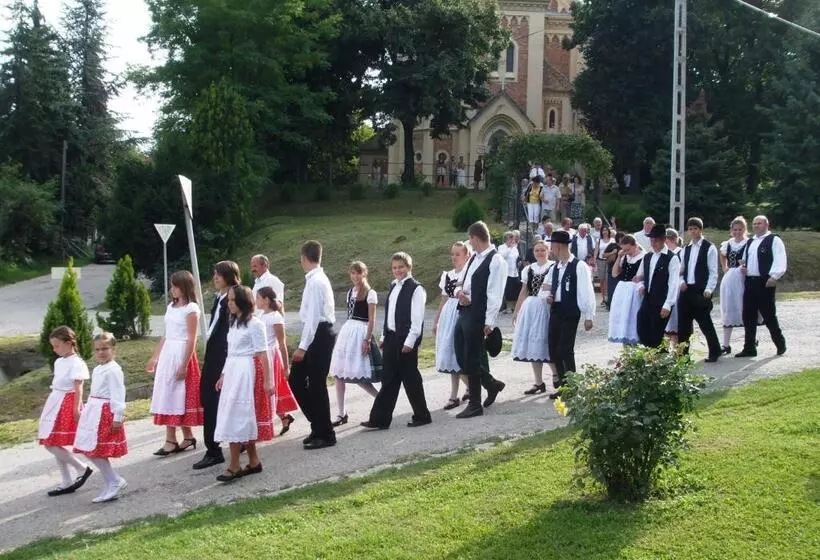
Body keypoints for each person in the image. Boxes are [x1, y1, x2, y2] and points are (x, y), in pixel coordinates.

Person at [361, 252, 432, 429]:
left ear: (409, 267)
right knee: (389, 380)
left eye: (401, 267)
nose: (397, 270)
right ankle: (379, 419)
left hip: (406, 340)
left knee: (411, 379)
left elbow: (417, 320)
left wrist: (409, 342)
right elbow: (389, 315)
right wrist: (385, 336)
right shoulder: (394, 286)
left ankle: (422, 415)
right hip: (392, 338)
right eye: (394, 267)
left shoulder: (416, 289)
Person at [214, 286, 272, 482]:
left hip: (245, 372)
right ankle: (254, 460)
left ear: (243, 301)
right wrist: (223, 374)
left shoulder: (255, 324)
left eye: (232, 300)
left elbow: (263, 354)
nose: (229, 303)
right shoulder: (234, 323)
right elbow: (230, 352)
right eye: (228, 300)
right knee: (236, 416)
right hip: (232, 371)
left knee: (238, 416)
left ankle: (234, 465)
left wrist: (268, 380)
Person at [453, 221, 507, 418]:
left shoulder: (496, 260)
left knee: (472, 357)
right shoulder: (474, 257)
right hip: (465, 311)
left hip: (478, 313)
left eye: (470, 239)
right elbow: (461, 280)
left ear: (476, 237)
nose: (470, 242)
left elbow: (494, 293)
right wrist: (460, 292)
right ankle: (492, 384)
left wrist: (489, 321)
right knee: (460, 355)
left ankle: (475, 403)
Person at [147, 271, 203, 456]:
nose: (172, 290)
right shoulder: (171, 307)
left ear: (184, 287)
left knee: (176, 396)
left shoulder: (191, 308)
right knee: (168, 395)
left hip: (181, 354)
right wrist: (155, 357)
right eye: (171, 286)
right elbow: (166, 334)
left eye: (175, 286)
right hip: (168, 354)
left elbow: (192, 339)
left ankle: (170, 440)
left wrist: (184, 365)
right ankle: (187, 436)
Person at [290, 241, 337, 449]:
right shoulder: (313, 280)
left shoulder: (317, 281)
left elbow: (312, 318)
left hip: (319, 335)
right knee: (296, 381)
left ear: (303, 258)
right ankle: (317, 424)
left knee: (317, 385)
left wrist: (303, 346)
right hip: (314, 334)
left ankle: (325, 433)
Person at [193, 261, 240, 471]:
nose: (216, 277)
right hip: (214, 352)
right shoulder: (219, 296)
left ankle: (215, 450)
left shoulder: (234, 296)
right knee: (208, 399)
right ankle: (214, 446)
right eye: (214, 274)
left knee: (217, 400)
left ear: (229, 275)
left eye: (219, 274)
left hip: (225, 354)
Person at [72, 332, 128, 503]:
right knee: (88, 448)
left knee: (95, 449)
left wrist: (118, 417)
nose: (101, 352)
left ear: (113, 349)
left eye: (105, 348)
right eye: (97, 349)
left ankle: (114, 480)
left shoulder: (113, 370)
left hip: (105, 412)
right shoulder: (98, 369)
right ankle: (112, 480)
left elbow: (118, 395)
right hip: (93, 411)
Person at [540, 231, 596, 398]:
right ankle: (564, 387)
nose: (551, 249)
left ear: (558, 246)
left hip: (570, 311)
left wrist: (589, 316)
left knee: (565, 349)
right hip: (556, 310)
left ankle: (572, 387)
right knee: (553, 349)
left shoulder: (579, 266)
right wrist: (548, 296)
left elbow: (586, 291)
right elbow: (546, 286)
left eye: (552, 245)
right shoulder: (555, 267)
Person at [39, 326, 93, 497]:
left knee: (50, 442)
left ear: (69, 343)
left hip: (67, 402)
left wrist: (76, 409)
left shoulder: (76, 363)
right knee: (54, 441)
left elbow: (78, 388)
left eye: (57, 346)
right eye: (53, 346)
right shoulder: (59, 362)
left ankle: (81, 468)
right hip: (55, 401)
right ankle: (66, 480)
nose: (54, 350)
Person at [329, 261, 380, 426]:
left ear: (364, 273)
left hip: (361, 332)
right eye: (352, 273)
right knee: (339, 373)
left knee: (358, 375)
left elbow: (372, 319)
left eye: (358, 273)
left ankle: (381, 399)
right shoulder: (350, 292)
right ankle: (341, 413)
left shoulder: (370, 293)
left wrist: (367, 339)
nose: (355, 276)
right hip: (348, 333)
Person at [737, 215, 788, 357]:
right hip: (750, 281)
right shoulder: (751, 242)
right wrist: (744, 268)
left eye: (759, 223)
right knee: (748, 316)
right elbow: (746, 260)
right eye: (754, 224)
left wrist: (774, 276)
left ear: (766, 224)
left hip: (765, 282)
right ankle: (749, 347)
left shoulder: (774, 240)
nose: (756, 226)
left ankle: (780, 343)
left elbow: (780, 259)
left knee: (769, 315)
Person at [512, 239, 555, 395]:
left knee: (544, 342)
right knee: (532, 344)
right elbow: (524, 291)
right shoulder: (529, 269)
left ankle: (556, 374)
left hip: (545, 307)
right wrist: (517, 310)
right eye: (537, 250)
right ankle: (538, 382)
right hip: (530, 307)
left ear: (548, 251)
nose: (539, 253)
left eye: (542, 250)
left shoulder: (552, 267)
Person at [256, 287, 299, 436]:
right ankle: (284, 417)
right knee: (269, 389)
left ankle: (267, 423)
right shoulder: (261, 315)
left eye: (258, 298)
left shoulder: (275, 317)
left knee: (270, 389)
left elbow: (281, 343)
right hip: (262, 355)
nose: (256, 301)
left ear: (266, 300)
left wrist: (286, 367)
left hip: (271, 356)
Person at [434, 242, 471, 410]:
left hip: (461, 313)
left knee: (458, 353)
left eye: (457, 254)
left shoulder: (468, 274)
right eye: (452, 254)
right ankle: (455, 394)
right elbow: (443, 299)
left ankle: (471, 386)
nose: (454, 257)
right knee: (449, 353)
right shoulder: (447, 275)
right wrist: (436, 320)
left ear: (466, 255)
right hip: (448, 315)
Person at [678, 217, 721, 362]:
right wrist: (681, 282)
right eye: (690, 229)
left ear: (700, 230)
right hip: (686, 291)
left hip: (700, 290)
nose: (692, 231)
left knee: (705, 323)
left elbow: (713, 271)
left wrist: (709, 289)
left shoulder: (709, 247)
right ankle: (682, 356)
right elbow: (681, 270)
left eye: (695, 228)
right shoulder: (686, 249)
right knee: (683, 325)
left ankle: (715, 351)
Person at [635, 225, 681, 348]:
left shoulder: (671, 258)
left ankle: (659, 360)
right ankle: (649, 356)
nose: (653, 243)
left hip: (662, 300)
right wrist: (640, 285)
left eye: (656, 240)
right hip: (648, 299)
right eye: (651, 240)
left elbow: (673, 283)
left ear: (663, 240)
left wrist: (668, 304)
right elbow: (639, 277)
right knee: (642, 325)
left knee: (657, 332)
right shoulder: (647, 256)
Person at [607, 234, 645, 346]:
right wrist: (619, 257)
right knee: (622, 317)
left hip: (634, 290)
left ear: (635, 245)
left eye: (628, 249)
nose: (626, 252)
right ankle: (625, 347)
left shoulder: (644, 256)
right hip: (622, 290)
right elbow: (614, 274)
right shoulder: (624, 257)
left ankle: (635, 344)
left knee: (633, 318)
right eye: (624, 249)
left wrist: (641, 280)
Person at [663, 228, 683, 343]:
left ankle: (675, 348)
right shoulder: (664, 253)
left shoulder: (680, 252)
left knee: (674, 319)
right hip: (665, 287)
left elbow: (683, 269)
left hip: (677, 286)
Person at [498, 232, 521, 314]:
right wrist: (509, 248)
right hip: (506, 272)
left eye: (512, 238)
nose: (511, 240)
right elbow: (502, 256)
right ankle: (508, 307)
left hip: (515, 272)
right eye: (510, 238)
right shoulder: (501, 247)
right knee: (508, 290)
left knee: (516, 289)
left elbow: (517, 257)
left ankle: (515, 306)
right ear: (505, 239)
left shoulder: (515, 248)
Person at [604, 232, 624, 307]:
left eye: (623, 238)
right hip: (611, 269)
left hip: (621, 270)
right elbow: (604, 255)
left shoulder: (625, 247)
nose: (622, 239)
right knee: (612, 288)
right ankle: (610, 304)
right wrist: (612, 252)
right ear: (617, 239)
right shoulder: (612, 245)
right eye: (620, 238)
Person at [596, 226, 615, 307]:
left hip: (609, 261)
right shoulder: (599, 240)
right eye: (603, 230)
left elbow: (614, 250)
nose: (605, 232)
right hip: (600, 260)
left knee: (608, 279)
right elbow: (596, 250)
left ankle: (608, 298)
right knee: (601, 279)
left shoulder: (612, 240)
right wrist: (594, 260)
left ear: (608, 232)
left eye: (606, 230)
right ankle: (603, 298)